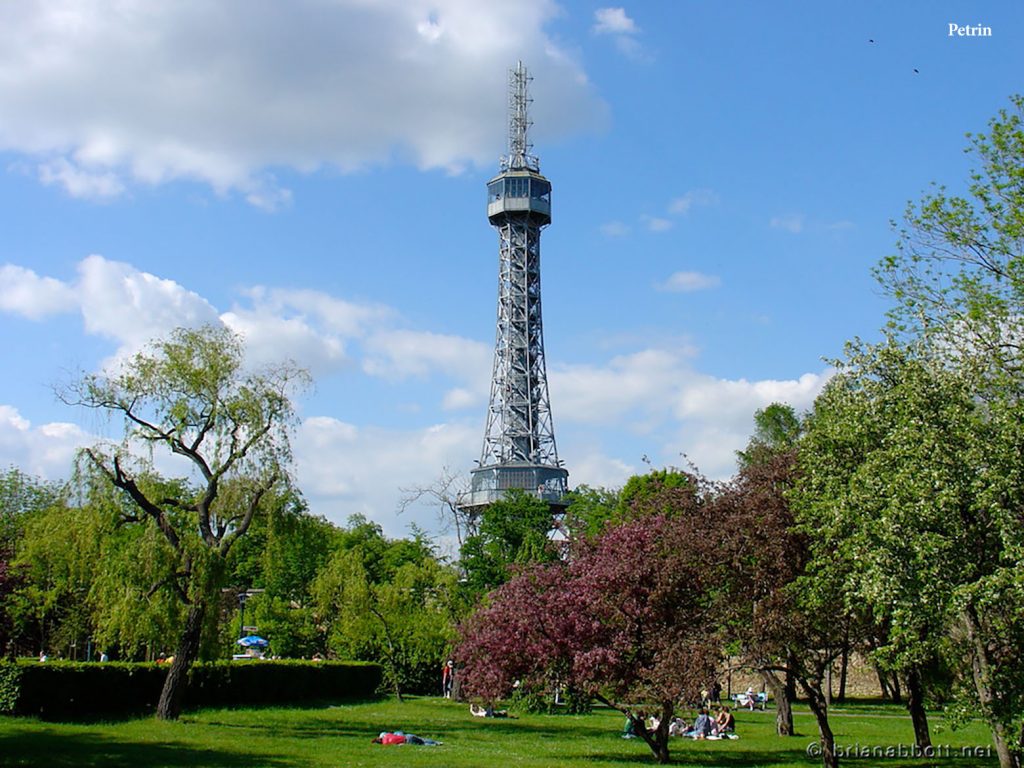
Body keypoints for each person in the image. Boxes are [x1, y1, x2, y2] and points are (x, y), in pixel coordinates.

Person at [372, 731, 442, 746]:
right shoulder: (387, 735)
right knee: (422, 739)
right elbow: (394, 734)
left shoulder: (386, 744)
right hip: (407, 736)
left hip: (406, 741)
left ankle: (433, 745)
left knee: (422, 744)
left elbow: (397, 745)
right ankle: (436, 742)